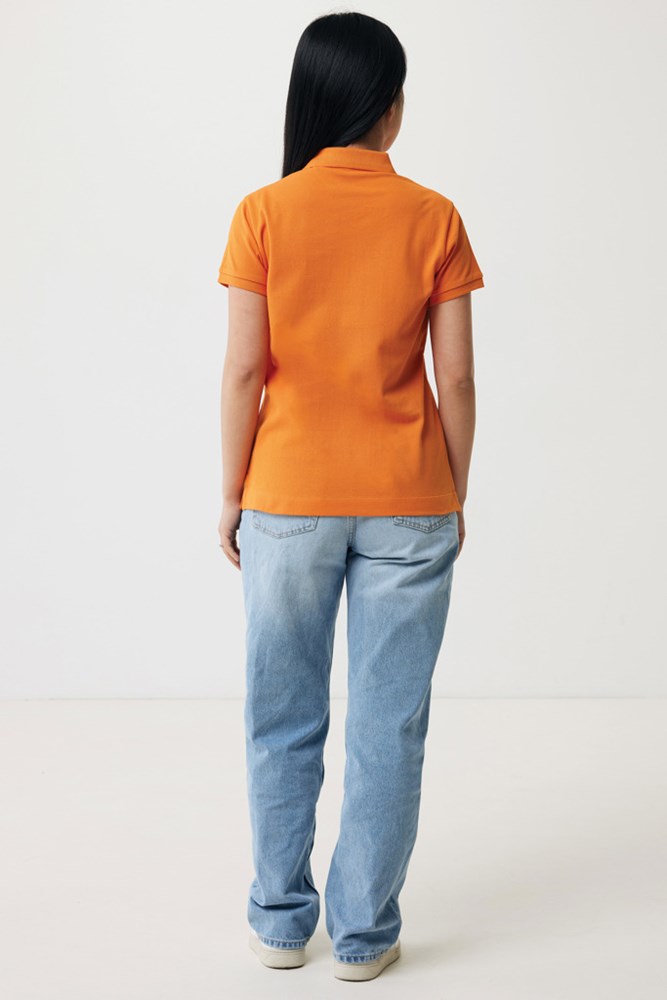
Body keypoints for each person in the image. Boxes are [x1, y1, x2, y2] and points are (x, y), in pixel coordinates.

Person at [216, 11, 484, 983]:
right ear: (391, 109)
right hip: (410, 497)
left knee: (280, 716)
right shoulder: (433, 216)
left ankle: (281, 924)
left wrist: (231, 492)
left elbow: (243, 371)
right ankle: (364, 936)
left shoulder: (263, 213)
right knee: (389, 725)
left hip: (286, 495)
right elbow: (456, 380)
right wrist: (451, 490)